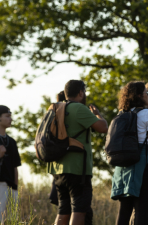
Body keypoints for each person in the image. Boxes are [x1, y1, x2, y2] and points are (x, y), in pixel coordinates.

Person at [49, 80, 108, 225]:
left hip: (58, 168)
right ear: (80, 92)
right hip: (77, 169)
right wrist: (98, 115)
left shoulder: (55, 109)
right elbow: (103, 127)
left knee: (63, 211)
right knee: (79, 211)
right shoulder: (78, 108)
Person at [112, 81, 148, 225]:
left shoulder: (122, 114)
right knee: (142, 208)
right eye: (146, 93)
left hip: (123, 165)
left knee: (124, 209)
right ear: (141, 95)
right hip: (143, 163)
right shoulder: (146, 113)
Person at [49, 90, 67, 207]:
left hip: (55, 166)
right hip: (68, 168)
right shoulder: (66, 114)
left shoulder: (51, 113)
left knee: (63, 209)